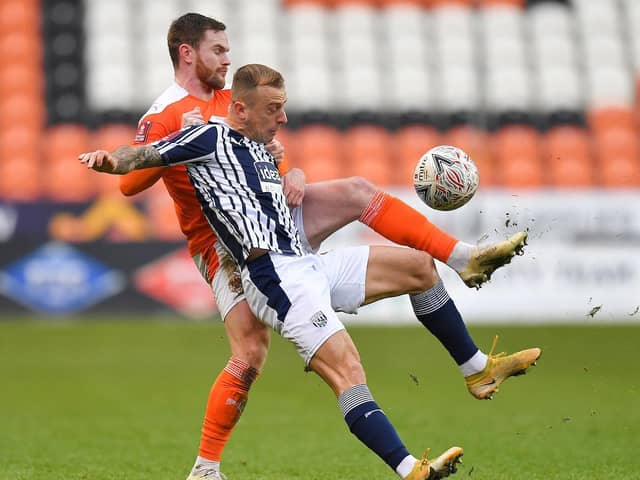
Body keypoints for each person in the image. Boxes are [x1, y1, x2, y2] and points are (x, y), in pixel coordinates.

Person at [117, 13, 538, 480]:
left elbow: (266, 151)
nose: (227, 57)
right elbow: (130, 184)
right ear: (187, 53)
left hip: (277, 220)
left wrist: (292, 171)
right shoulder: (167, 112)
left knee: (364, 199)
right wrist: (178, 139)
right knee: (250, 353)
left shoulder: (233, 98)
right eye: (218, 50)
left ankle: (464, 268)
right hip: (226, 244)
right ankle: (205, 467)